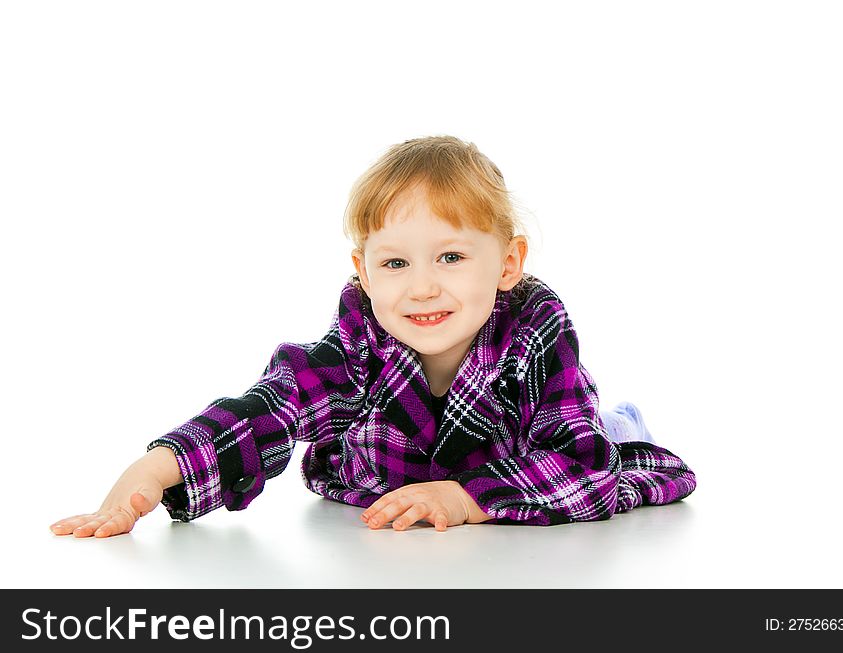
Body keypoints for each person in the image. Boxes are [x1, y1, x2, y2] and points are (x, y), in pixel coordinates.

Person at [49, 135, 697, 538]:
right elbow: (278, 403)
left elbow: (581, 467)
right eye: (395, 263)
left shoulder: (533, 326)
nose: (421, 287)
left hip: (529, 448)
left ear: (507, 263)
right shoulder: (362, 338)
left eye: (450, 257)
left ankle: (621, 420)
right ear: (363, 271)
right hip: (393, 471)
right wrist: (155, 469)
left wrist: (466, 497)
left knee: (607, 445)